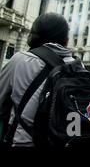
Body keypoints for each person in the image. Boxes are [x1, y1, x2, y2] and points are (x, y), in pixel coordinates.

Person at [0, 13, 75, 146]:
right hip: (64, 141)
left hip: (25, 142)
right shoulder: (77, 66)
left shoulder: (19, 60)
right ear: (66, 39)